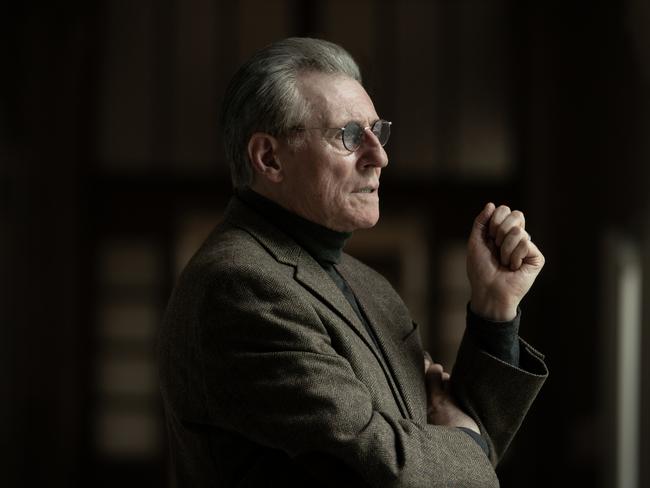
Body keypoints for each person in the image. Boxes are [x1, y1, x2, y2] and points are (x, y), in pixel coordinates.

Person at [158, 37, 548, 487]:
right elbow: (386, 470)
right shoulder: (238, 286)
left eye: (376, 131)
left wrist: (493, 312)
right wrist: (469, 441)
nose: (379, 156)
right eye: (348, 136)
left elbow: (453, 468)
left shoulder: (365, 281)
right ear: (269, 158)